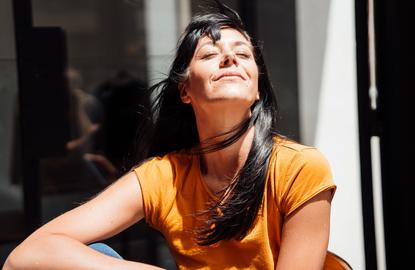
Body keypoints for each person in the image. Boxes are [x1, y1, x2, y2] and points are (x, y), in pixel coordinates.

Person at [3, 2, 336, 269]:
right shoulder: (166, 176)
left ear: (258, 89)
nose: (230, 58)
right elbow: (25, 257)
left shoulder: (299, 168)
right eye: (209, 55)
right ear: (186, 90)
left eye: (244, 54)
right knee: (96, 253)